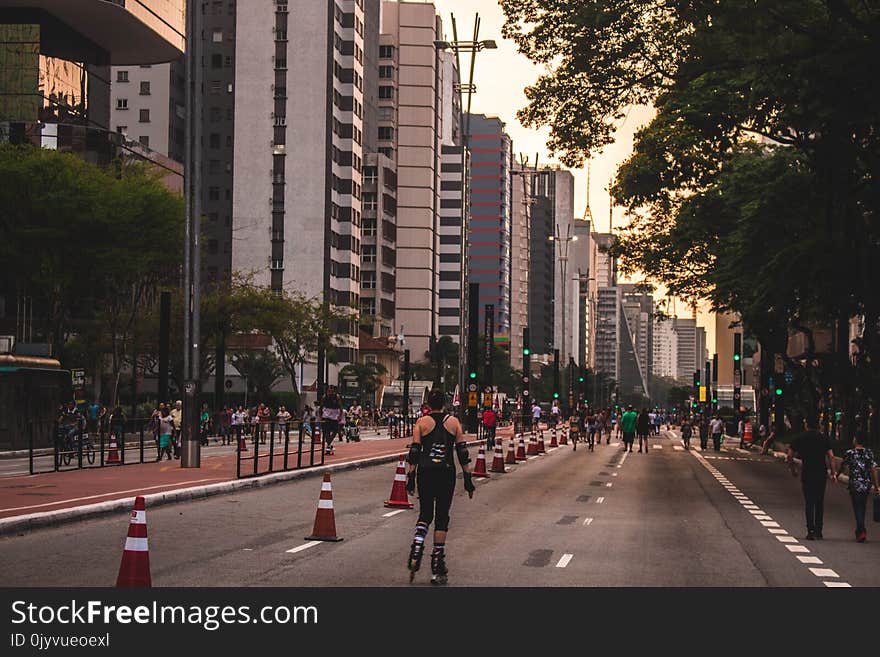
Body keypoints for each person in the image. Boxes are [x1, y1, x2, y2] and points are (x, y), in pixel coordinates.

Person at [405, 388, 474, 585]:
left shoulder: (421, 423)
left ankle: (417, 546)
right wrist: (468, 478)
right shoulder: (453, 422)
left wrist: (410, 476)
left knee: (425, 514)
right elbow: (462, 452)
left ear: (428, 404)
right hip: (446, 472)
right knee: (442, 516)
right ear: (445, 403)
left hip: (425, 472)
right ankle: (437, 564)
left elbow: (415, 452)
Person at [787, 415, 836, 540]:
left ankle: (810, 530)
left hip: (807, 472)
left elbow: (790, 455)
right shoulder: (824, 438)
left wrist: (793, 469)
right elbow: (831, 456)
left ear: (806, 425)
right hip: (821, 473)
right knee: (819, 502)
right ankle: (819, 530)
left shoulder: (800, 438)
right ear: (818, 425)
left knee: (809, 502)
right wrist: (833, 473)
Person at [835, 431, 879, 542]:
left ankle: (861, 530)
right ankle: (860, 529)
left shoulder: (850, 453)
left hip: (854, 484)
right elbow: (873, 469)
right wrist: (876, 485)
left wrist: (837, 475)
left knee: (857, 507)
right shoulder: (869, 453)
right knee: (862, 506)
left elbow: (843, 465)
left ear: (856, 439)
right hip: (866, 484)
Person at [319, 386, 343, 454]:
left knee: (335, 430)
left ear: (334, 392)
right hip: (326, 415)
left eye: (332, 391)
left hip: (334, 415)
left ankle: (329, 444)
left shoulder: (337, 397)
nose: (330, 392)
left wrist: (340, 416)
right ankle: (329, 445)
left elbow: (341, 407)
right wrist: (320, 416)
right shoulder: (324, 397)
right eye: (329, 391)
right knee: (326, 431)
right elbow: (321, 407)